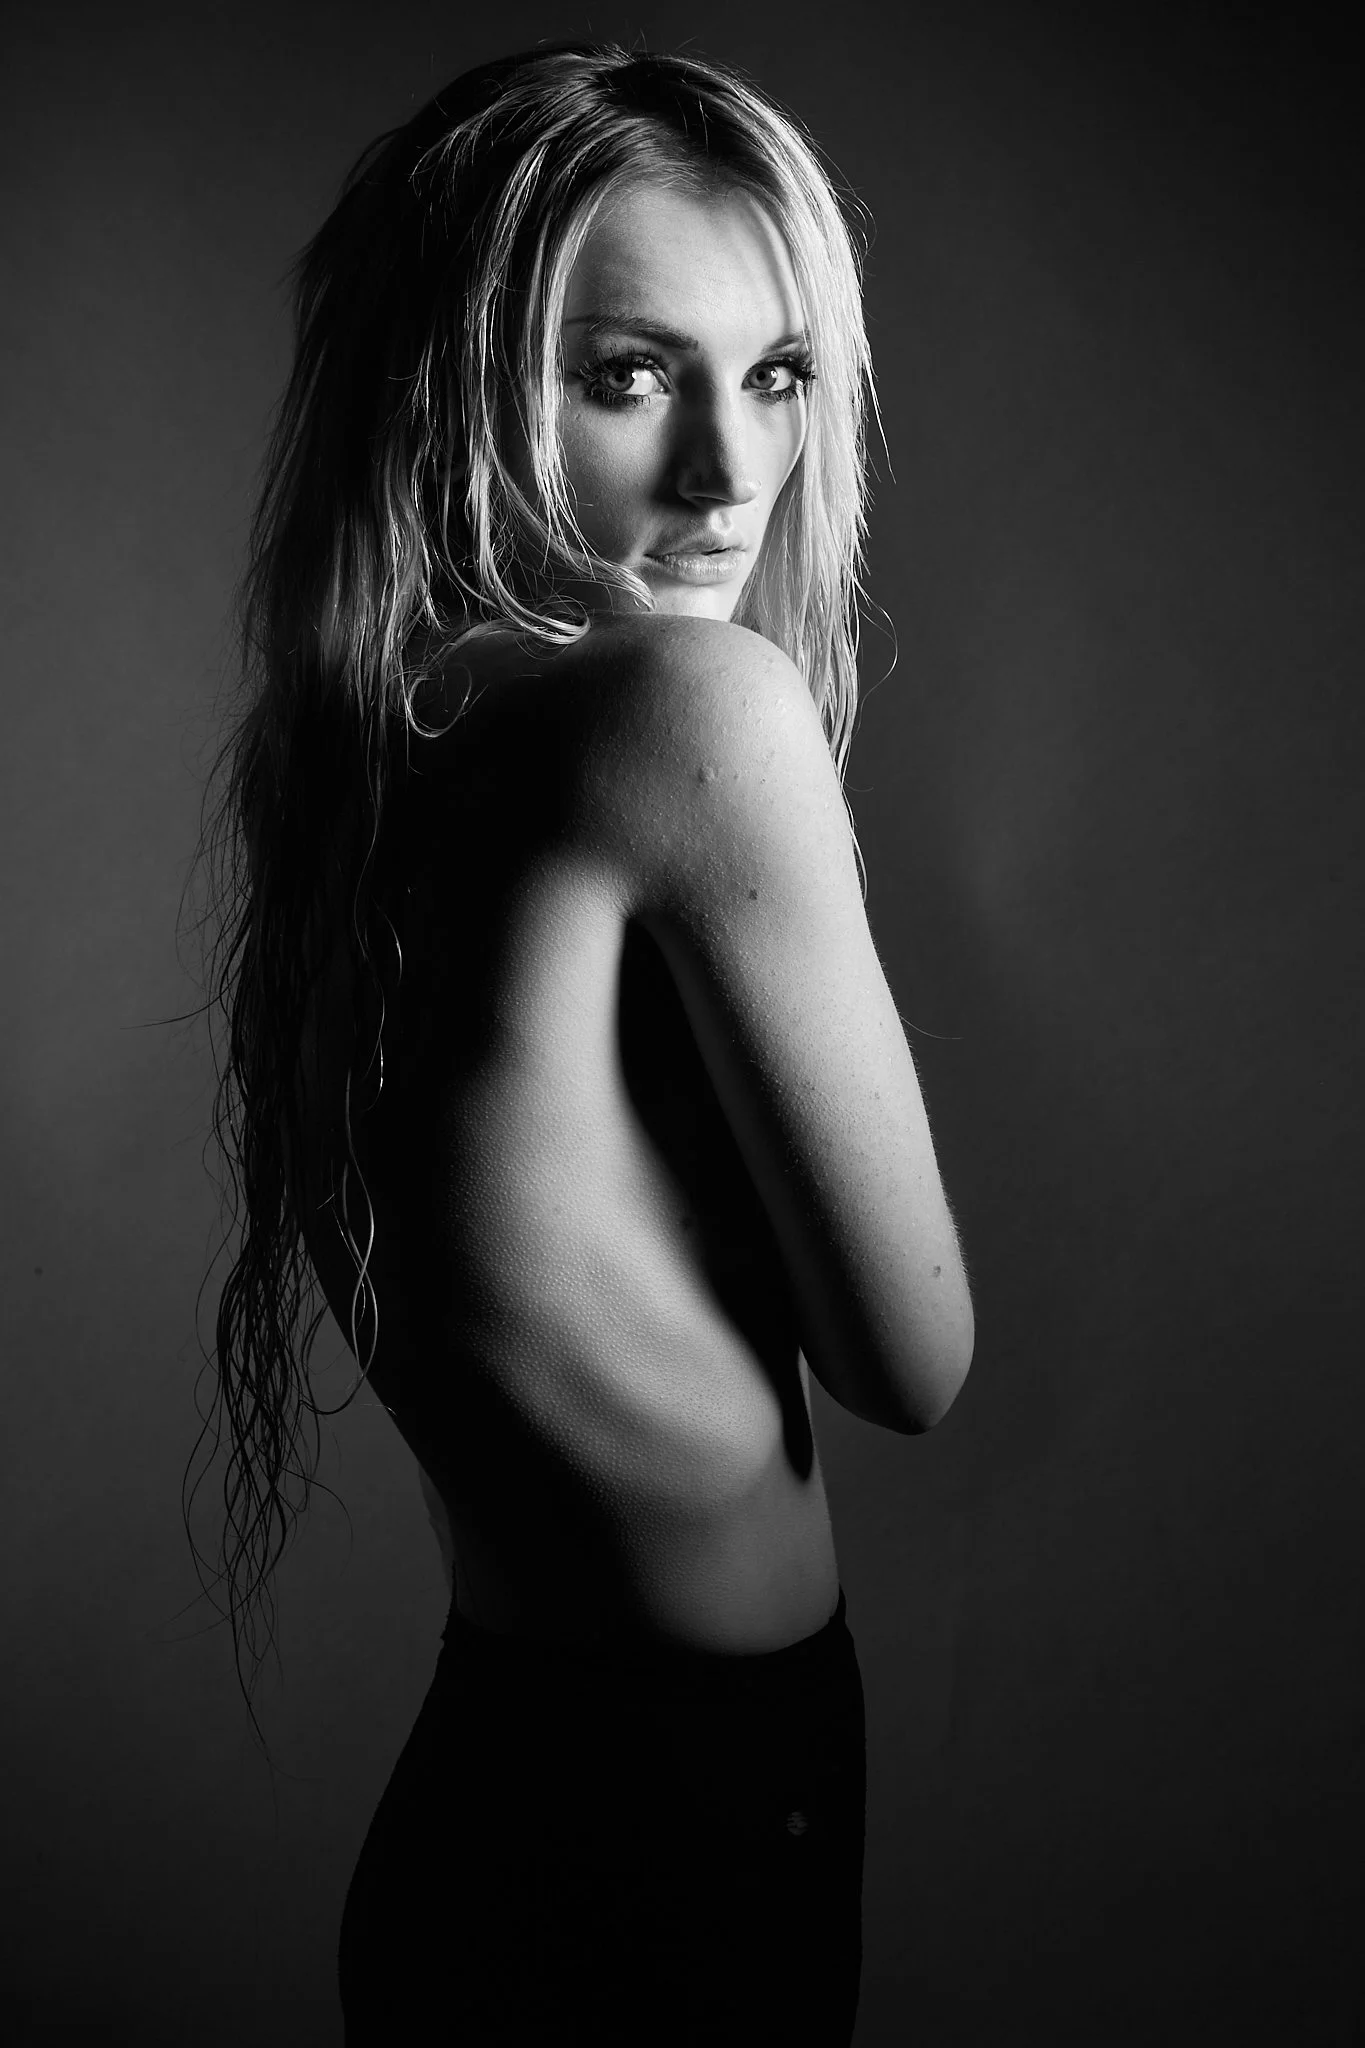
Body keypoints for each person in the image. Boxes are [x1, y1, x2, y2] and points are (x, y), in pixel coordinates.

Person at [193, 39, 973, 2045]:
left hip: (493, 1792)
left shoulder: (375, 741)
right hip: (687, 1826)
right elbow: (912, 1355)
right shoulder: (691, 714)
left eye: (779, 374)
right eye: (626, 376)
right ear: (455, 379)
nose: (728, 472)